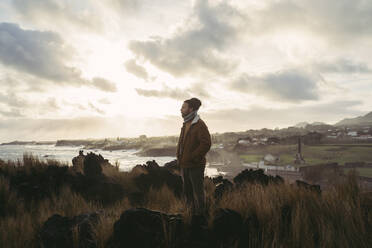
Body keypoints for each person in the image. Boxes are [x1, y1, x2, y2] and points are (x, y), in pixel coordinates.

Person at [176, 97, 211, 216]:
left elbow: (206, 143)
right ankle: (190, 215)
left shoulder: (199, 124)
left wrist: (194, 157)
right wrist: (179, 158)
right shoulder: (186, 123)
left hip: (195, 165)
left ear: (191, 109)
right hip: (185, 164)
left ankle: (201, 216)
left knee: (198, 193)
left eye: (183, 107)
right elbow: (182, 143)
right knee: (187, 193)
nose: (181, 109)